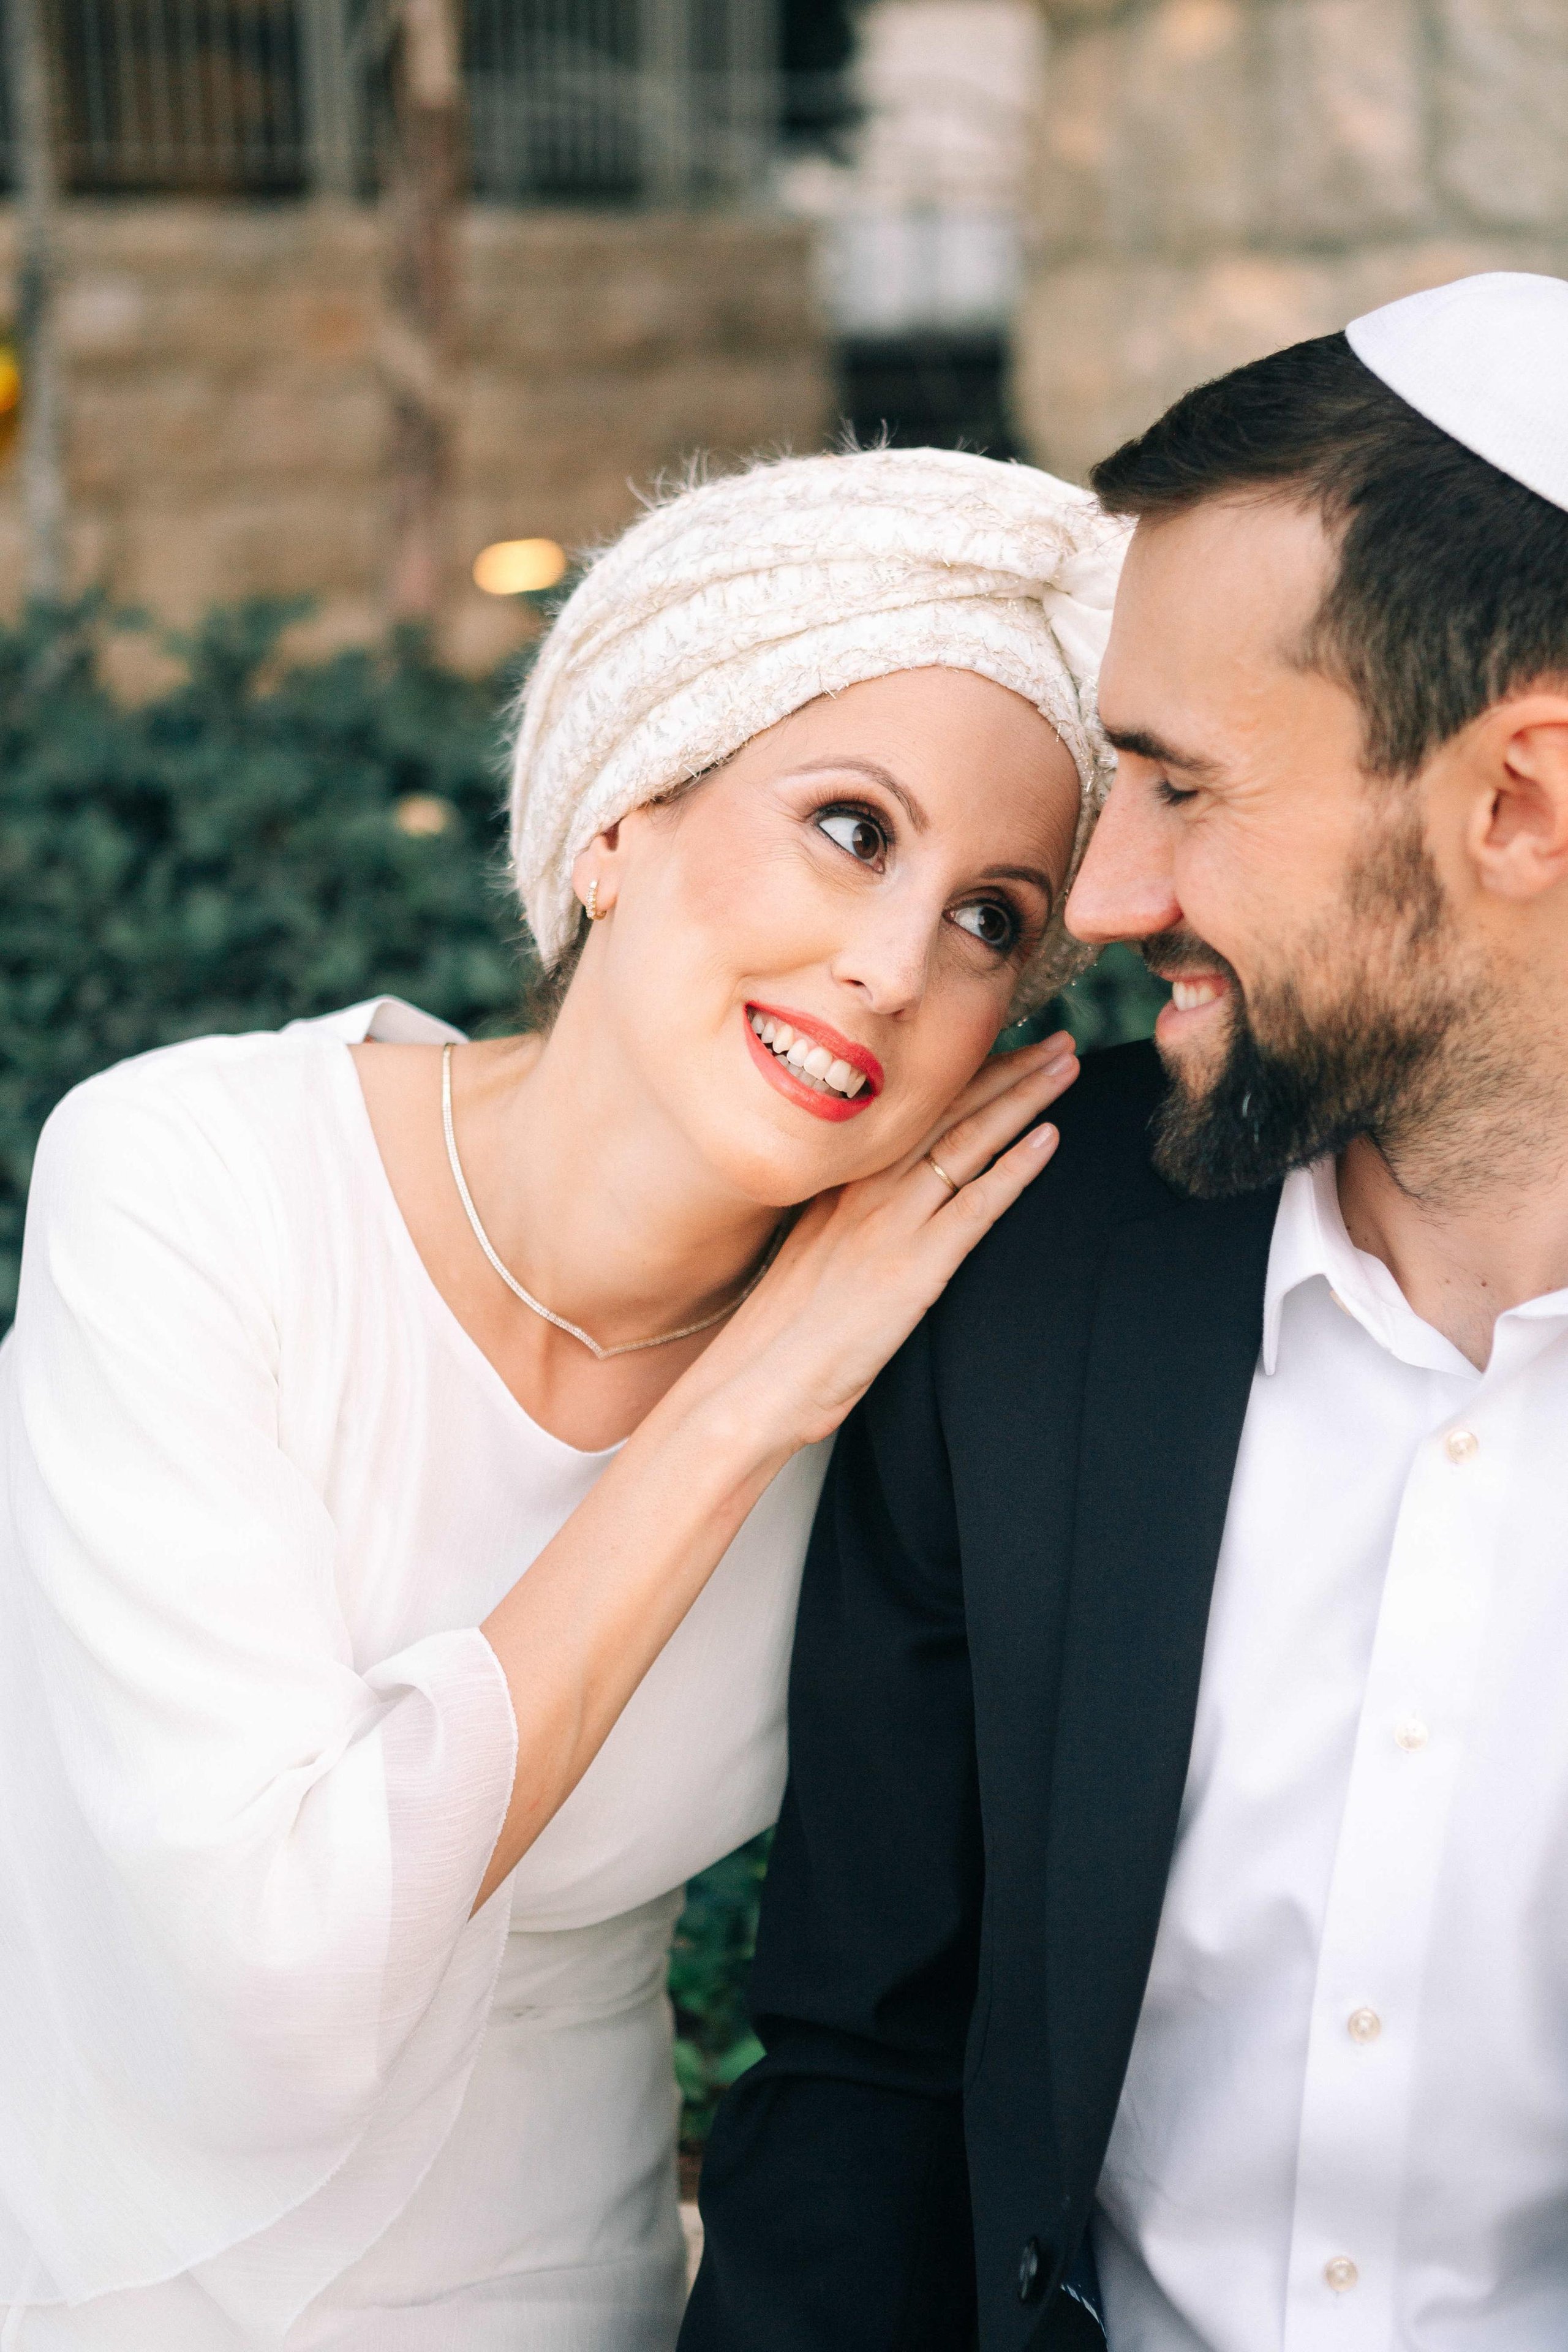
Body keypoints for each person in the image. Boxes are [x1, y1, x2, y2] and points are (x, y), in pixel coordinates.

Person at [0, 447, 1126, 2351]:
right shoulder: (193, 1182)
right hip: (84, 2271)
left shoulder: (925, 1355)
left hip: (558, 2296)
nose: (891, 964)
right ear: (619, 823)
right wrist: (743, 1405)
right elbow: (271, 1965)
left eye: (992, 918)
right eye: (855, 829)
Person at [682, 271, 1568, 2352]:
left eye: (1182, 787)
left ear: (1520, 801)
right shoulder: (1021, 1274)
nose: (1102, 897)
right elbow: (863, 2077)